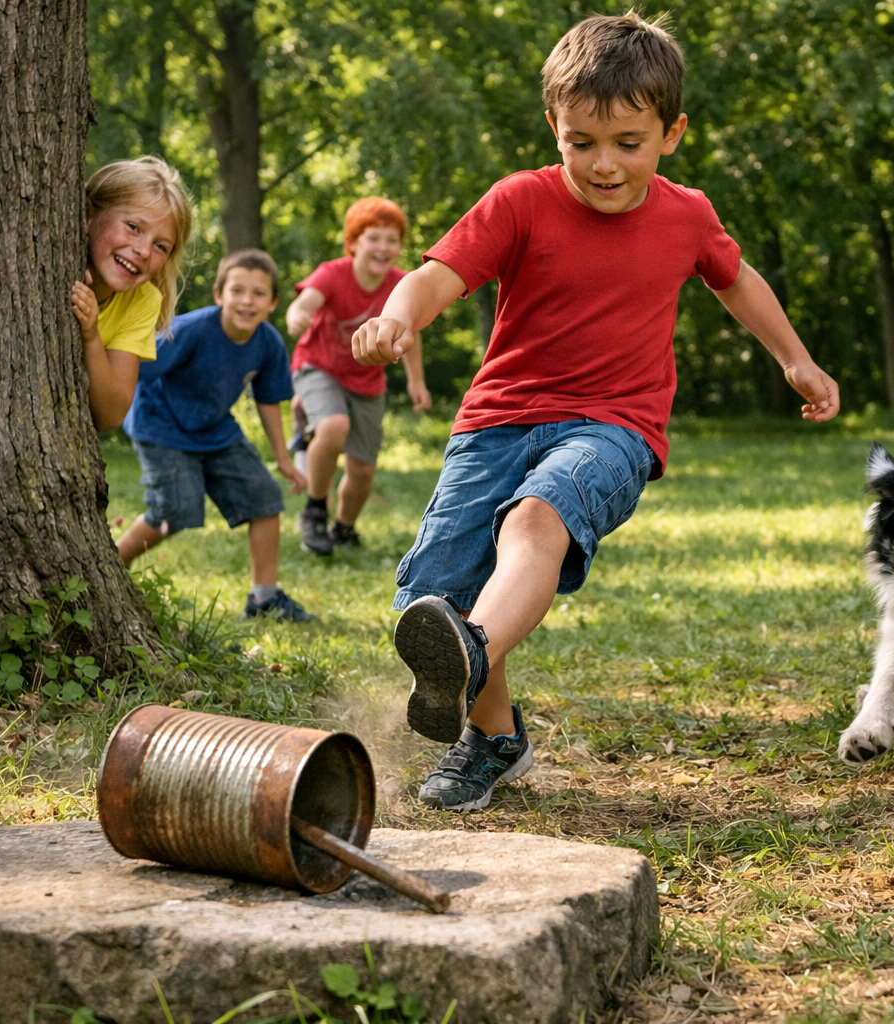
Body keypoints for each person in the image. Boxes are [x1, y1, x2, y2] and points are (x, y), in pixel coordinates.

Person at [353, 12, 841, 810]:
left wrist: (796, 358)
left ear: (671, 132)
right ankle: (495, 737)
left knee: (536, 521)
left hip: (614, 429)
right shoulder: (520, 202)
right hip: (495, 423)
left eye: (628, 143)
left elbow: (736, 279)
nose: (604, 164)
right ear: (553, 126)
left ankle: (473, 658)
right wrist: (400, 318)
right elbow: (438, 274)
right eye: (581, 142)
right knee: (434, 600)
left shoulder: (686, 215)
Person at [116, 249, 316, 623]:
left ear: (273, 302)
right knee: (173, 510)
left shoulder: (268, 343)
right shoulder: (190, 330)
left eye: (258, 293)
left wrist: (284, 459)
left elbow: (269, 400)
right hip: (161, 425)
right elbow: (136, 365)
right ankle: (110, 564)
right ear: (219, 293)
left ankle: (264, 599)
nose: (247, 301)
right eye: (237, 290)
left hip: (215, 429)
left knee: (265, 498)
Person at [285, 197, 432, 557]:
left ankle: (344, 528)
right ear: (353, 243)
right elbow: (303, 304)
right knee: (334, 427)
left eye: (392, 239)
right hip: (318, 366)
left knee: (363, 470)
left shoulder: (402, 284)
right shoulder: (333, 273)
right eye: (374, 238)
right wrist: (296, 317)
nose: (383, 247)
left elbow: (411, 332)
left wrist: (416, 381)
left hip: (367, 382)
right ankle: (315, 510)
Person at [69, 156, 194, 431]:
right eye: (134, 227)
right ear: (88, 214)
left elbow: (111, 416)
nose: (144, 251)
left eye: (161, 246)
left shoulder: (143, 300)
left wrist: (90, 335)